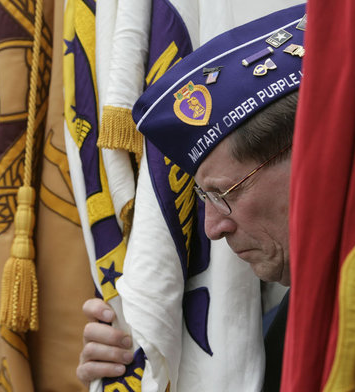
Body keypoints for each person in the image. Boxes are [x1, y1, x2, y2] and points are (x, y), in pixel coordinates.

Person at [77, 4, 305, 391]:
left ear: (307, 163)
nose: (212, 228)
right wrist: (131, 369)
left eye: (224, 193)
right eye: (203, 197)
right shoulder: (276, 336)